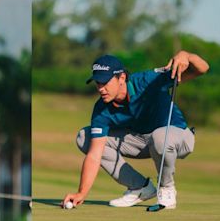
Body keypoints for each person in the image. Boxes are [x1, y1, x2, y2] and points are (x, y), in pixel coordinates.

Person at [63, 51, 209, 209]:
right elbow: (94, 155)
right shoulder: (101, 109)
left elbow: (202, 69)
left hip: (177, 136)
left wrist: (186, 56)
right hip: (142, 142)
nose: (101, 88)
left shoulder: (147, 81)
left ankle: (166, 188)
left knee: (159, 137)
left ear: (122, 78)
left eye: (105, 82)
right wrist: (81, 193)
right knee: (85, 137)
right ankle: (140, 188)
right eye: (98, 83)